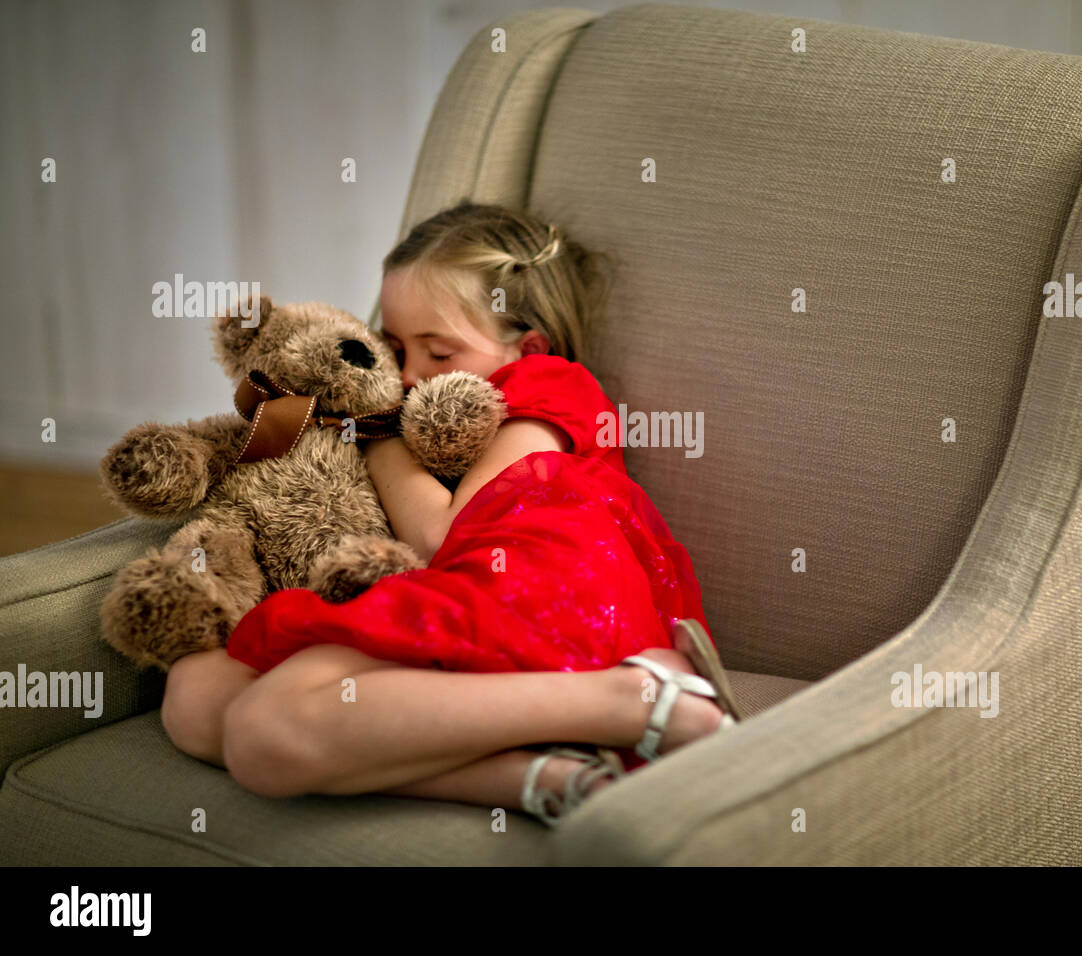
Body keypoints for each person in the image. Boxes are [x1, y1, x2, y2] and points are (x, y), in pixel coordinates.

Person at [160, 201, 737, 826]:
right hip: (457, 596)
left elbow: (444, 535)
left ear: (528, 347)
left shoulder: (547, 386)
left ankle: (631, 698)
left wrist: (373, 429)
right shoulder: (426, 423)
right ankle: (548, 778)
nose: (407, 376)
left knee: (264, 731)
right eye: (393, 347)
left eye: (438, 354)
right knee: (195, 701)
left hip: (542, 597)